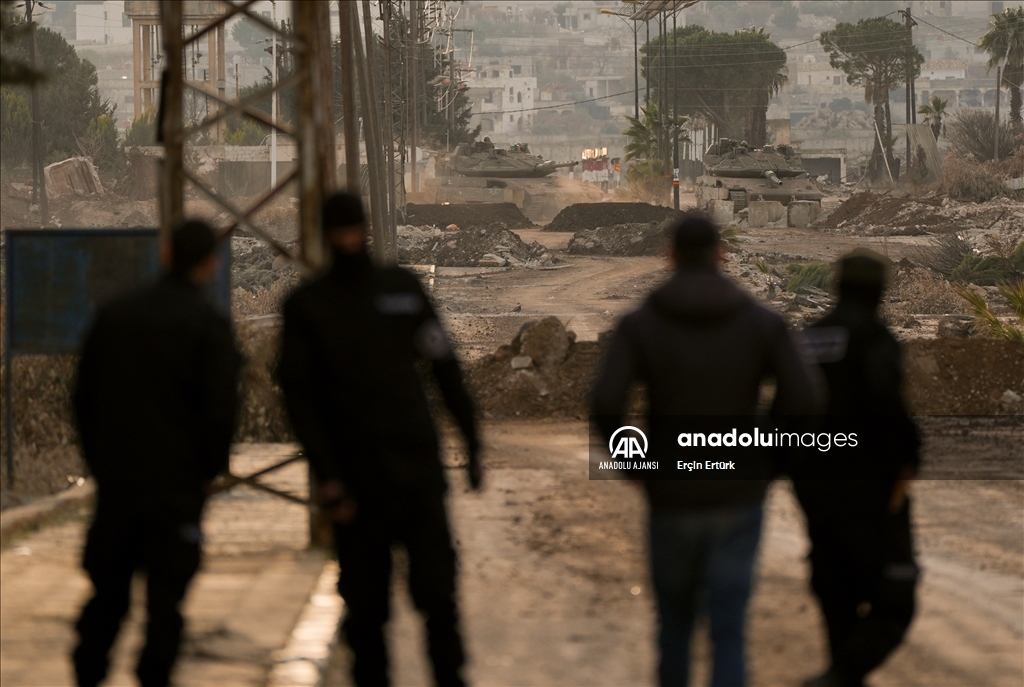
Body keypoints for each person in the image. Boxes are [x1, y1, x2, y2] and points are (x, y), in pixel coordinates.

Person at [592, 213, 822, 687]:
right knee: (729, 628)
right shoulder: (763, 322)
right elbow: (805, 397)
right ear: (722, 254)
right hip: (739, 490)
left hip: (671, 492)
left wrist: (636, 463)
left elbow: (604, 401)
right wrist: (770, 455)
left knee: (674, 624)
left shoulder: (640, 323)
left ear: (669, 256)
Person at [277, 192, 482, 687]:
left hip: (395, 474)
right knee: (376, 614)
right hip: (367, 478)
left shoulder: (389, 291)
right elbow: (300, 401)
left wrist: (472, 441)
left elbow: (445, 367)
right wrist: (328, 479)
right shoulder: (316, 305)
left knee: (431, 603)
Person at [72, 220, 241, 687]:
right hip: (178, 491)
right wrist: (209, 472)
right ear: (212, 262)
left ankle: (89, 675)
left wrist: (101, 464)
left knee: (107, 599)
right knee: (166, 606)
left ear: (165, 254)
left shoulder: (116, 315)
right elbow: (221, 409)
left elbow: (83, 398)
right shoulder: (208, 325)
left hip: (120, 487)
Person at [793, 251, 920, 687]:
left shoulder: (809, 338)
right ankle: (841, 675)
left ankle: (839, 674)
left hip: (816, 489)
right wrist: (909, 455)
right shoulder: (874, 338)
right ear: (879, 290)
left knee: (837, 596)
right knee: (895, 600)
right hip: (872, 492)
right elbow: (886, 403)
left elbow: (783, 418)